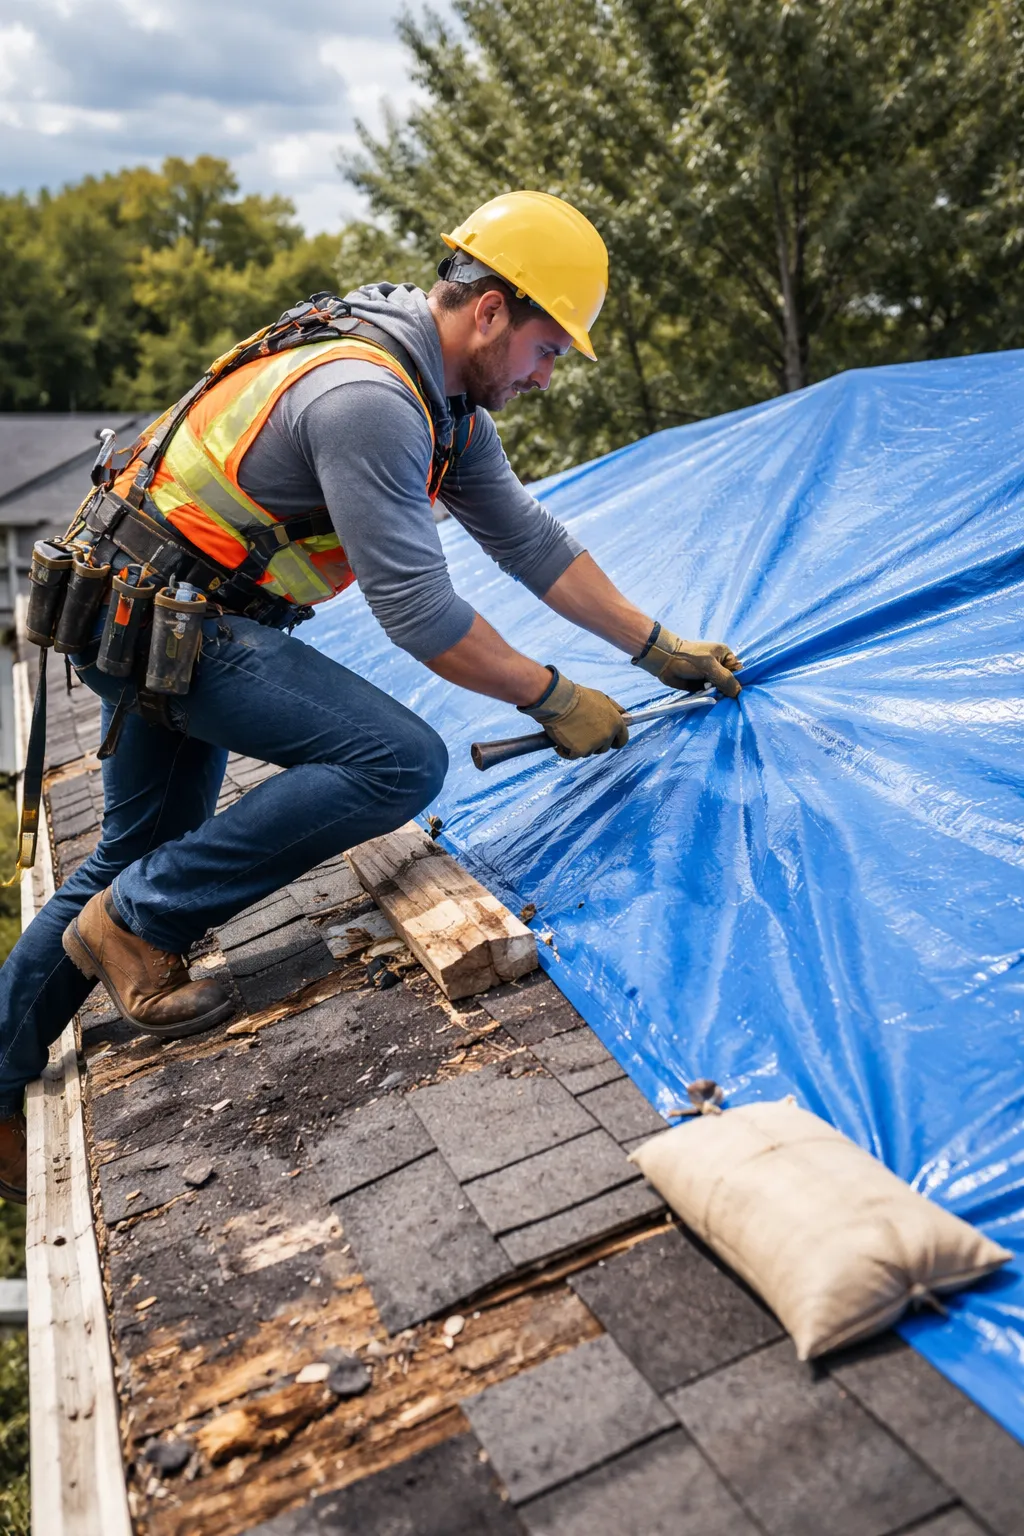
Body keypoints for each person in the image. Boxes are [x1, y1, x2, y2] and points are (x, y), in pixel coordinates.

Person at [0, 190, 740, 1203]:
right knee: (398, 761)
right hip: (164, 624)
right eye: (547, 349)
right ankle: (143, 919)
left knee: (130, 859)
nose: (546, 375)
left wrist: (654, 648)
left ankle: (7, 1070)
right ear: (490, 311)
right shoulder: (369, 399)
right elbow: (420, 613)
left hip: (153, 616)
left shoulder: (445, 406)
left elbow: (529, 541)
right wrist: (552, 696)